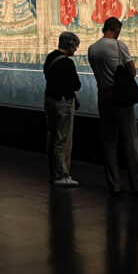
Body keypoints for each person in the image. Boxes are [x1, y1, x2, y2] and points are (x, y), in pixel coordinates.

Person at [87, 17, 138, 197]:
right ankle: (137, 184)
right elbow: (132, 71)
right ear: (117, 30)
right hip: (120, 97)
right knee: (130, 140)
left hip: (103, 95)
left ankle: (114, 185)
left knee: (108, 141)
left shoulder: (92, 48)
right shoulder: (119, 45)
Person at [43, 31, 82, 186]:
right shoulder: (67, 63)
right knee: (63, 139)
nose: (76, 50)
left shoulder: (50, 57)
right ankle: (62, 175)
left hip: (50, 99)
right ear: (70, 45)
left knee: (52, 137)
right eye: (75, 46)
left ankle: (54, 173)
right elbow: (76, 84)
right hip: (63, 102)